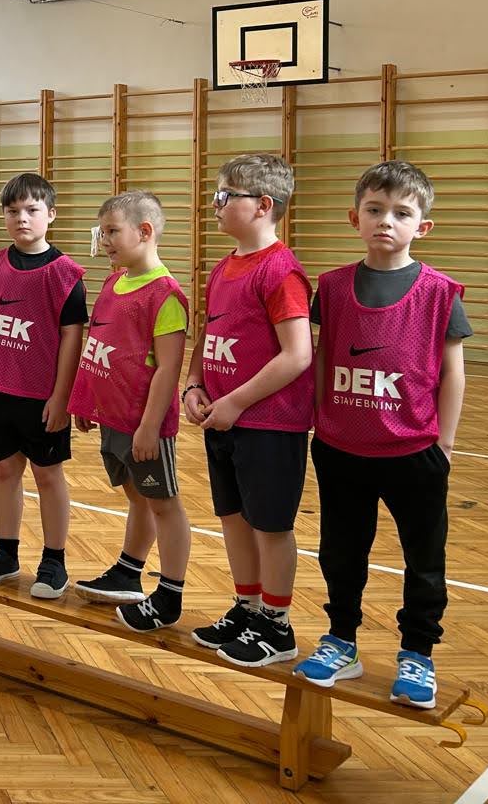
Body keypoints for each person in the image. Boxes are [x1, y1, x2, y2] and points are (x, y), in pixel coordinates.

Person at [295, 160, 469, 709]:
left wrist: (444, 444)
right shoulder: (331, 287)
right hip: (340, 447)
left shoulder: (440, 292)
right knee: (341, 552)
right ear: (355, 218)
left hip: (414, 451)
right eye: (374, 210)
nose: (386, 221)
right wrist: (318, 419)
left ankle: (417, 652)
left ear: (423, 226)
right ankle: (341, 640)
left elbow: (453, 372)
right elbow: (322, 357)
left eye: (401, 213)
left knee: (424, 558)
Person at [182, 154, 315, 667]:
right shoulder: (224, 266)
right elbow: (209, 332)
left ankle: (277, 626)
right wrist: (194, 383)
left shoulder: (281, 271)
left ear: (262, 205)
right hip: (222, 418)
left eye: (224, 196)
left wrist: (236, 401)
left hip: (268, 424)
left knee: (270, 526)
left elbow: (297, 355)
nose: (214, 204)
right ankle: (248, 607)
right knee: (234, 519)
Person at [69, 191, 192, 633]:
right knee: (137, 496)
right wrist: (85, 399)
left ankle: (170, 594)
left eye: (112, 232)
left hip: (145, 425)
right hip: (113, 417)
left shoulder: (166, 295)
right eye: (101, 232)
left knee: (163, 504)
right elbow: (99, 345)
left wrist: (150, 426)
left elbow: (168, 370)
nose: (104, 241)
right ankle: (128, 571)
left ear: (144, 231)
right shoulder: (112, 283)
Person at [0, 173, 88, 596]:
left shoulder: (65, 273)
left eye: (32, 210)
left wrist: (62, 396)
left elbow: (72, 338)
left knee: (48, 475)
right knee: (4, 470)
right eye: (13, 211)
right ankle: (6, 553)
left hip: (42, 398)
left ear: (51, 214)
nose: (22, 218)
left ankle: (54, 561)